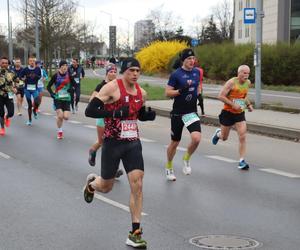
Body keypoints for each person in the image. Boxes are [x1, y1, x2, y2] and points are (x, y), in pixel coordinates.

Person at [84, 57, 156, 249]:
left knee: (138, 184)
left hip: (132, 143)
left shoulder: (143, 93)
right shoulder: (111, 88)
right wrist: (114, 114)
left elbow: (136, 113)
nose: (135, 74)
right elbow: (90, 110)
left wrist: (146, 116)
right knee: (106, 187)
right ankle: (93, 183)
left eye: (138, 71)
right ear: (124, 71)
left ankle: (135, 233)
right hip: (112, 143)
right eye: (131, 70)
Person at [164, 48, 202, 181]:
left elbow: (198, 85)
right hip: (178, 113)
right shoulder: (176, 74)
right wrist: (180, 91)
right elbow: (167, 93)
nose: (192, 61)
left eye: (193, 59)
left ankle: (186, 158)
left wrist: (199, 94)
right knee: (175, 142)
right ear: (183, 61)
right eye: (189, 59)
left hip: (191, 112)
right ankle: (169, 167)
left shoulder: (197, 72)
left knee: (196, 138)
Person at [211, 65, 253, 170]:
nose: (246, 75)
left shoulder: (248, 83)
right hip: (227, 112)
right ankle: (218, 134)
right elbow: (220, 96)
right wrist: (232, 104)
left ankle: (241, 161)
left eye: (248, 73)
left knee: (242, 136)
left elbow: (244, 96)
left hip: (239, 113)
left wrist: (248, 105)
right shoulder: (231, 83)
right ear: (238, 73)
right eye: (244, 73)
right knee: (224, 138)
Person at [87, 63, 123, 179]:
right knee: (104, 143)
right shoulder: (101, 86)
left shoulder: (118, 86)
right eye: (110, 71)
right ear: (107, 73)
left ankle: (93, 150)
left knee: (114, 143)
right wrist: (103, 102)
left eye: (114, 71)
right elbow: (91, 100)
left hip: (114, 118)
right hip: (102, 117)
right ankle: (112, 169)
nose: (113, 73)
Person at [47, 60, 76, 139]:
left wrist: (71, 89)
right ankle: (60, 131)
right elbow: (48, 86)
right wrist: (52, 94)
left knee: (66, 117)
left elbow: (75, 85)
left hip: (67, 99)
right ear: (60, 67)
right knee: (60, 116)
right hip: (58, 98)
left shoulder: (69, 75)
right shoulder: (55, 76)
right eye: (63, 66)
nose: (65, 67)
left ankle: (59, 115)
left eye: (66, 66)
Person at [20, 55, 41, 126]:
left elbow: (39, 76)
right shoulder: (25, 69)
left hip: (34, 88)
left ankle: (35, 110)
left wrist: (36, 76)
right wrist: (23, 79)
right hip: (27, 89)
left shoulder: (38, 69)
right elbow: (20, 76)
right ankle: (29, 120)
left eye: (33, 61)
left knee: (37, 101)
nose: (32, 62)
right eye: (30, 61)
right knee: (29, 105)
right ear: (28, 62)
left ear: (35, 62)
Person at [0, 57, 17, 136]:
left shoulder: (11, 72)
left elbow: (17, 81)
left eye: (6, 63)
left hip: (9, 95)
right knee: (1, 113)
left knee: (11, 113)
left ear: (8, 64)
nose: (4, 64)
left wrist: (15, 88)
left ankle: (7, 117)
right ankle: (2, 128)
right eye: (3, 63)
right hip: (0, 95)